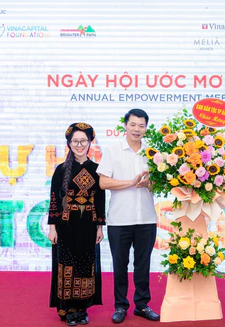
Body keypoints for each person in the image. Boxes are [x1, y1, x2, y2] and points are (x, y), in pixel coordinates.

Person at [97, 108, 160, 323]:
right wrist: (131, 183)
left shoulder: (153, 153)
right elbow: (103, 182)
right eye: (133, 124)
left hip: (147, 219)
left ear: (146, 128)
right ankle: (121, 306)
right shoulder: (113, 150)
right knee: (120, 265)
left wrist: (149, 183)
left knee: (143, 265)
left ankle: (142, 305)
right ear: (125, 125)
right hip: (119, 220)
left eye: (141, 126)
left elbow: (160, 184)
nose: (137, 129)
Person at [48, 122, 106, 326]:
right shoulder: (61, 169)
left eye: (83, 141)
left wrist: (100, 227)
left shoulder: (97, 169)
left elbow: (100, 201)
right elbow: (54, 199)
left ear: (90, 142)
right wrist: (52, 227)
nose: (79, 144)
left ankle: (81, 309)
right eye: (75, 141)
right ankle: (67, 309)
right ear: (69, 144)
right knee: (66, 265)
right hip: (65, 227)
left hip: (88, 226)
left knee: (85, 265)